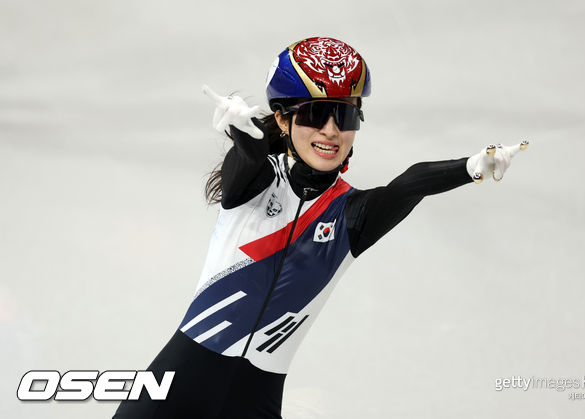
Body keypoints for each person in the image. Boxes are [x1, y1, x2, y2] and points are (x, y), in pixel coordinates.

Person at [113, 36, 527, 419]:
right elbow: (247, 159)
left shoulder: (352, 216)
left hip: (254, 399)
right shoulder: (256, 181)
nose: (330, 130)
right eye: (315, 114)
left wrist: (471, 167)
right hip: (178, 383)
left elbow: (408, 185)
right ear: (282, 119)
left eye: (344, 115)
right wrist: (245, 134)